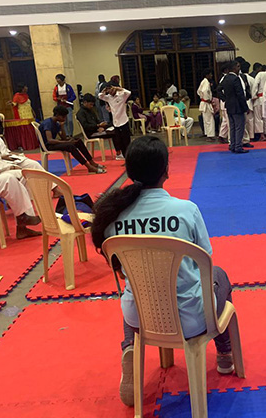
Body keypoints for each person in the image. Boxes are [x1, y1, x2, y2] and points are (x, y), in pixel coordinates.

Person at [91, 136, 237, 406]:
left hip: (140, 318)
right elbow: (205, 260)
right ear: (166, 171)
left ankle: (130, 347)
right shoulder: (186, 210)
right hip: (190, 319)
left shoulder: (112, 217)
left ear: (129, 172)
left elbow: (119, 270)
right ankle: (225, 355)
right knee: (219, 275)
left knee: (134, 291)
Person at [40, 106, 106, 174]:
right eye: (63, 117)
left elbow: (63, 137)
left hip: (53, 143)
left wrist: (62, 127)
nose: (65, 119)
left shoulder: (56, 123)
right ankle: (89, 167)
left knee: (78, 141)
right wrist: (65, 142)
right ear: (57, 115)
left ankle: (92, 162)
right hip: (48, 145)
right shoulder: (48, 123)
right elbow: (50, 140)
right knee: (70, 146)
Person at [76, 94, 123, 160]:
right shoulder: (80, 113)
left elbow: (97, 121)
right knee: (114, 133)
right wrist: (97, 126)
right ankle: (119, 153)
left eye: (92, 105)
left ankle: (121, 151)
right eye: (90, 104)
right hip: (90, 133)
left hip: (97, 129)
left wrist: (102, 125)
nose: (92, 106)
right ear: (85, 102)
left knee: (114, 127)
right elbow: (85, 126)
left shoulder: (91, 111)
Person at [219, 60, 249, 154]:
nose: (239, 69)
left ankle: (232, 145)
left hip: (229, 105)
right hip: (237, 106)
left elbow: (218, 90)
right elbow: (240, 94)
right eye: (238, 66)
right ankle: (238, 146)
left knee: (232, 127)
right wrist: (245, 107)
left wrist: (225, 98)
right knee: (239, 127)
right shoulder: (236, 79)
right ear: (234, 68)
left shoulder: (226, 78)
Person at [98, 85, 131, 157]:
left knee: (126, 141)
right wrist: (104, 90)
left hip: (124, 121)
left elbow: (128, 92)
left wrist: (118, 88)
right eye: (108, 90)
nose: (110, 91)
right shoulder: (108, 97)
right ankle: (124, 157)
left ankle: (129, 157)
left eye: (111, 89)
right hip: (116, 123)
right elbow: (100, 96)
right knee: (120, 142)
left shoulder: (121, 95)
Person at [252, 65, 266, 141]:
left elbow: (255, 85)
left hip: (259, 98)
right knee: (265, 117)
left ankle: (261, 134)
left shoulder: (260, 74)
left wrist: (253, 95)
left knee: (258, 117)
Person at [197, 68, 215, 141]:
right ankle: (210, 135)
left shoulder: (204, 81)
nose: (211, 75)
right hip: (206, 103)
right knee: (209, 120)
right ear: (207, 75)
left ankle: (208, 134)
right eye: (210, 74)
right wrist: (207, 99)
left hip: (204, 102)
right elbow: (204, 91)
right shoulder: (205, 82)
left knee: (207, 120)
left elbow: (198, 91)